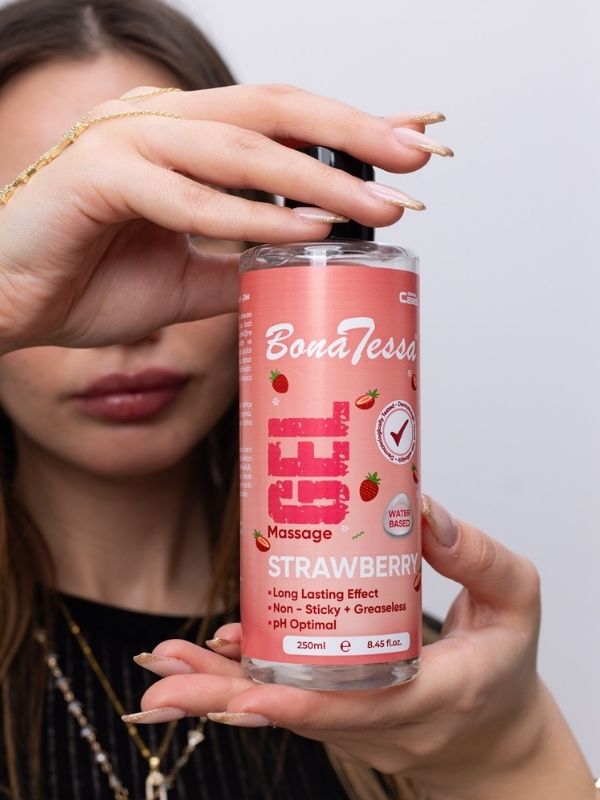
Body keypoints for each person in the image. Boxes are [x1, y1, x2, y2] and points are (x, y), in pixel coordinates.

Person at [0, 0, 595, 798]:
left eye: (167, 218)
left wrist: (512, 757)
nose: (126, 330)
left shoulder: (423, 691)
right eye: (72, 233)